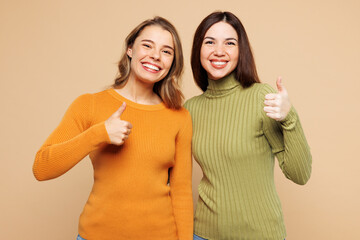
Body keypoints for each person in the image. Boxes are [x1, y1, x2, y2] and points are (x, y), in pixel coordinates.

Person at [33, 17, 193, 240]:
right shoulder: (89, 104)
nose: (156, 55)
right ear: (130, 49)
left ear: (173, 62)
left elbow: (182, 192)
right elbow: (42, 168)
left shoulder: (179, 117)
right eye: (147, 45)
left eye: (167, 51)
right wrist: (99, 133)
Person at [184, 11, 312, 240]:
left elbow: (300, 174)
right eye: (209, 42)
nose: (219, 51)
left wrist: (289, 118)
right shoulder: (191, 109)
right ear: (198, 50)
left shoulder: (261, 97)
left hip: (261, 235)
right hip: (204, 234)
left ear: (240, 51)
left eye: (229, 43)